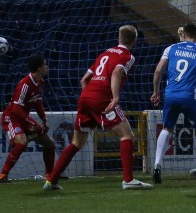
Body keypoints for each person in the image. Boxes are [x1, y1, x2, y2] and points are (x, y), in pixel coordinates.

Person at [43, 25, 152, 190]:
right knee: (126, 135)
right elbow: (116, 73)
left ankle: (51, 181)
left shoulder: (105, 53)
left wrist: (88, 97)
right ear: (135, 41)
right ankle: (128, 180)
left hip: (85, 97)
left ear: (118, 38)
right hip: (102, 98)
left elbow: (83, 79)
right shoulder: (128, 56)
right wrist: (115, 97)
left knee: (76, 143)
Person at [150, 23, 196, 184]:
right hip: (190, 97)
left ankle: (157, 165)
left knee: (167, 128)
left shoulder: (171, 49)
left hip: (171, 95)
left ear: (184, 33)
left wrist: (156, 92)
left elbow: (158, 71)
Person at [0, 54, 55, 183]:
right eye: (45, 64)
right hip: (11, 117)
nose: (47, 66)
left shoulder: (40, 82)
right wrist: (33, 122)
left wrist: (44, 120)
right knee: (21, 142)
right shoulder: (25, 84)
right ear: (39, 68)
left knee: (49, 144)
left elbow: (38, 102)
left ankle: (50, 175)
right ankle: (3, 175)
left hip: (23, 118)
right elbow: (16, 109)